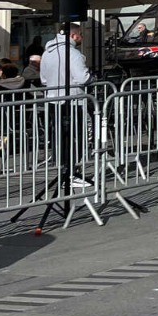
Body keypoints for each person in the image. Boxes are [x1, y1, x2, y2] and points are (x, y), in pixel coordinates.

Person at [40, 22, 92, 192]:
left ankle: (65, 172)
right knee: (75, 137)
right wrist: (93, 79)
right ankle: (72, 174)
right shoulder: (74, 54)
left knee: (60, 138)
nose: (81, 38)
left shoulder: (47, 53)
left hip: (53, 101)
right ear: (72, 35)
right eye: (80, 35)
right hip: (73, 101)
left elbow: (44, 80)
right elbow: (83, 78)